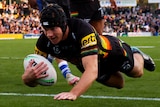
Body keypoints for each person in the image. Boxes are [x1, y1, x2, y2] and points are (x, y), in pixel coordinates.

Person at [22, 4, 155, 100]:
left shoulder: (81, 29)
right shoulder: (43, 43)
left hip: (113, 53)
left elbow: (92, 70)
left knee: (137, 72)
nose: (49, 34)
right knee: (119, 83)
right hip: (86, 63)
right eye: (46, 29)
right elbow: (35, 77)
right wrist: (27, 79)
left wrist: (74, 93)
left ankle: (136, 52)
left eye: (53, 28)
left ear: (63, 24)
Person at [27, 0, 80, 86]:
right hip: (48, 2)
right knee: (54, 34)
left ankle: (48, 62)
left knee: (62, 31)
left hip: (64, 3)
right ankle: (67, 74)